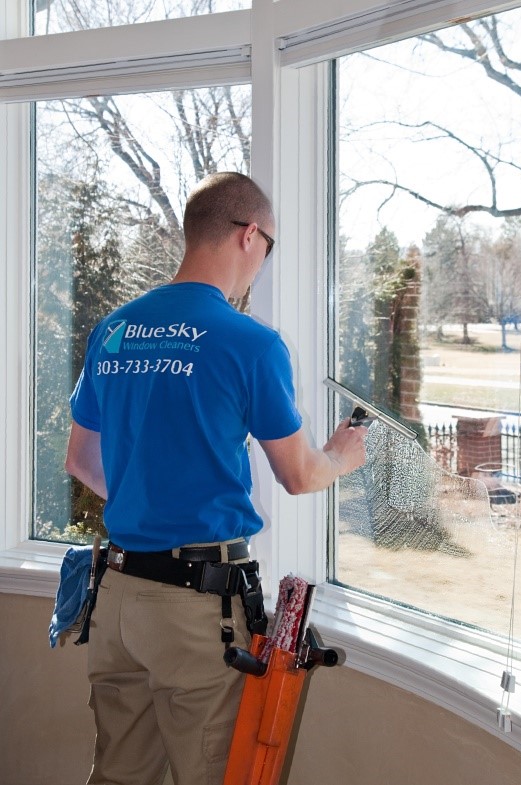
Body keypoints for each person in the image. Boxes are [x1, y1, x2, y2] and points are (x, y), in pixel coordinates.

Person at [65, 171, 367, 785]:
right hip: (194, 613)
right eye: (270, 248)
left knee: (120, 773)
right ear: (249, 235)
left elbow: (80, 461)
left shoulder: (115, 331)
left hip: (117, 598)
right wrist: (341, 454)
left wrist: (148, 499)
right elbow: (300, 475)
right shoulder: (249, 343)